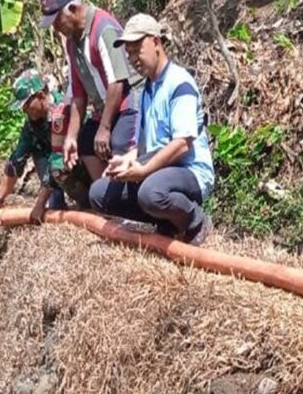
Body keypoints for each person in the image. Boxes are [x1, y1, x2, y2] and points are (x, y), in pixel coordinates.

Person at [88, 14, 214, 246]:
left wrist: (143, 170)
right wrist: (125, 161)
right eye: (129, 54)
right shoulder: (146, 89)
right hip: (159, 171)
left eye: (138, 49)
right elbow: (144, 146)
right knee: (98, 194)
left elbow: (182, 145)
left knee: (150, 192)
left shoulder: (179, 83)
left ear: (156, 42)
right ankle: (165, 222)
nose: (134, 58)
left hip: (188, 172)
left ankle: (194, 220)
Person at [38, 0, 143, 181]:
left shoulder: (103, 29)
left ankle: (125, 201)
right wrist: (70, 137)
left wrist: (104, 129)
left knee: (118, 143)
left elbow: (117, 84)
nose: (56, 28)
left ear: (73, 9)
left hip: (128, 104)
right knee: (85, 143)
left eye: (57, 21)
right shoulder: (72, 43)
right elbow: (79, 94)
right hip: (104, 110)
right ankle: (105, 197)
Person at [0, 69, 91, 222]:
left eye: (26, 104)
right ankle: (57, 201)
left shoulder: (60, 111)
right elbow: (17, 159)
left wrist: (39, 204)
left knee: (58, 168)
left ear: (40, 96)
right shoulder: (33, 123)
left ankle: (88, 205)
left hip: (80, 162)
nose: (24, 110)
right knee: (37, 151)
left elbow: (57, 159)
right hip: (55, 165)